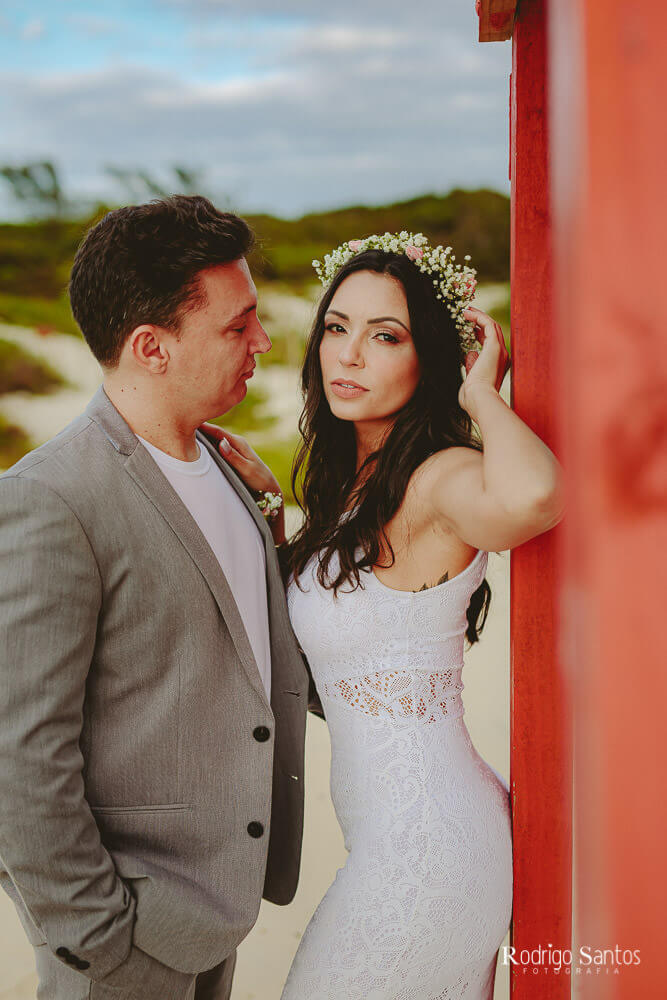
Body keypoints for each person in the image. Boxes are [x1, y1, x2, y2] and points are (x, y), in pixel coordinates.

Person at [206, 232, 565, 999]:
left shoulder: (441, 475)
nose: (350, 356)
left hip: (432, 850)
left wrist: (479, 397)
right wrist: (274, 516)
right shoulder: (355, 493)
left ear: (427, 358)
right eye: (336, 328)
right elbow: (317, 653)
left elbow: (534, 498)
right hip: (392, 846)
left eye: (385, 336)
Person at [0, 195, 313, 1000]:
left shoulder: (231, 468)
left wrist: (275, 523)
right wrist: (99, 942)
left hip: (215, 912)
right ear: (151, 347)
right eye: (237, 326)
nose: (262, 342)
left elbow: (252, 652)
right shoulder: (51, 499)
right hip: (125, 938)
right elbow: (20, 756)